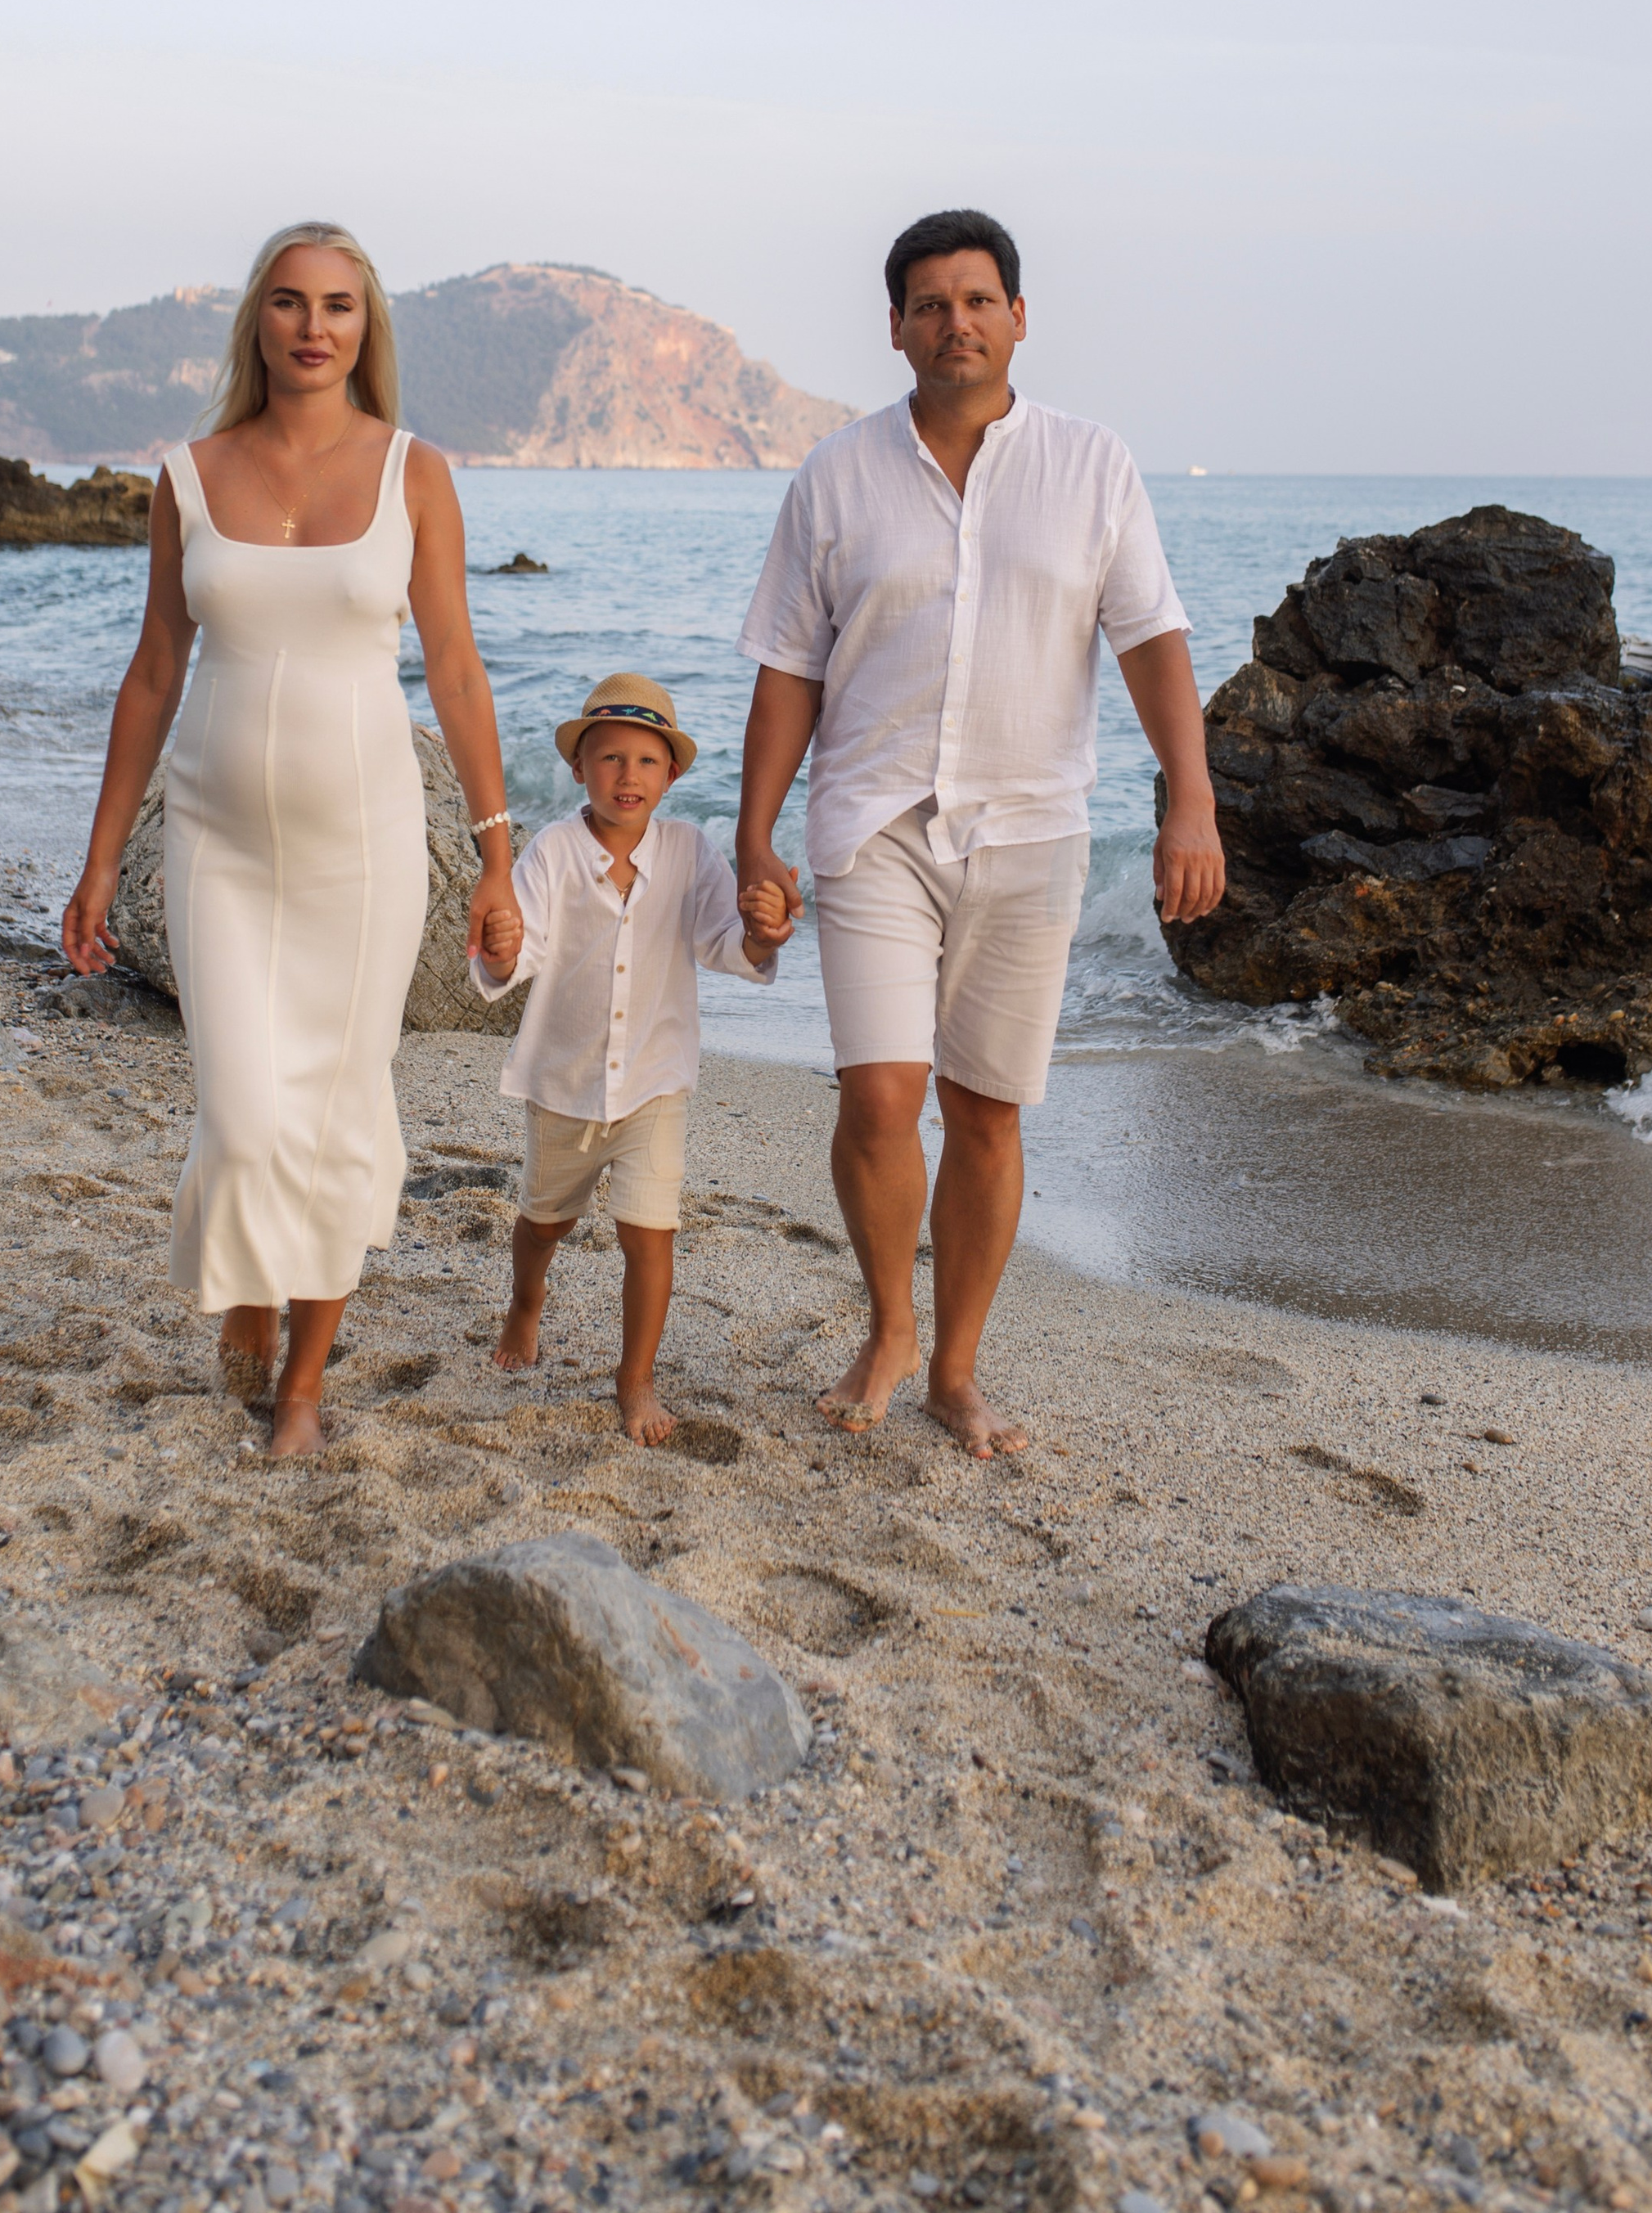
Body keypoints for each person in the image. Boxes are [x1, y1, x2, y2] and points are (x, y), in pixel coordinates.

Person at [733, 207, 1225, 1461]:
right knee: (879, 1096)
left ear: (1017, 317)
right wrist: (753, 836)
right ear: (897, 329)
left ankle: (955, 1368)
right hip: (873, 822)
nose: (957, 322)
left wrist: (1192, 797)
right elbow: (788, 669)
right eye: (931, 305)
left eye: (978, 300)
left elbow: (1150, 638)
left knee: (987, 1111)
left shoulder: (1092, 466)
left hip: (1030, 829)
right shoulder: (835, 477)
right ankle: (891, 1326)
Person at [61, 218, 515, 1459]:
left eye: (338, 306)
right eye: (290, 302)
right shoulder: (190, 475)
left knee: (337, 1108)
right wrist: (101, 859)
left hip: (366, 848)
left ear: (367, 330)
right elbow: (154, 673)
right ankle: (248, 1286)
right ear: (255, 322)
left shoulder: (414, 472)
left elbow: (457, 669)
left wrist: (496, 854)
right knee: (244, 1108)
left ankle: (304, 1388)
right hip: (215, 841)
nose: (314, 327)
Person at [470, 672, 795, 1445]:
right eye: (611, 757)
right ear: (579, 768)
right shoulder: (553, 851)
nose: (629, 775)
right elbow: (521, 950)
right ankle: (526, 1302)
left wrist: (762, 932)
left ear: (672, 775)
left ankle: (636, 1377)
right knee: (544, 1223)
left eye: (647, 761)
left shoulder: (689, 852)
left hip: (654, 1082)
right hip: (564, 1081)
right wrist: (502, 946)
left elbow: (724, 943)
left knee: (650, 1234)